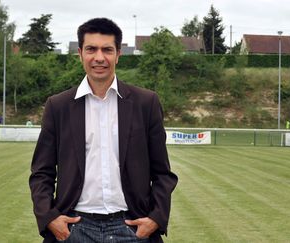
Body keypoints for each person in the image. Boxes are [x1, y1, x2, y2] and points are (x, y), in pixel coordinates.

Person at [29, 18, 178, 243]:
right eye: (91, 49)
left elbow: (162, 174)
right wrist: (50, 217)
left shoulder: (145, 103)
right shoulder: (58, 106)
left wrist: (155, 218)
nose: (99, 57)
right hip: (73, 230)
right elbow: (42, 173)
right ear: (80, 53)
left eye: (107, 49)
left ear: (118, 54)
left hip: (132, 229)